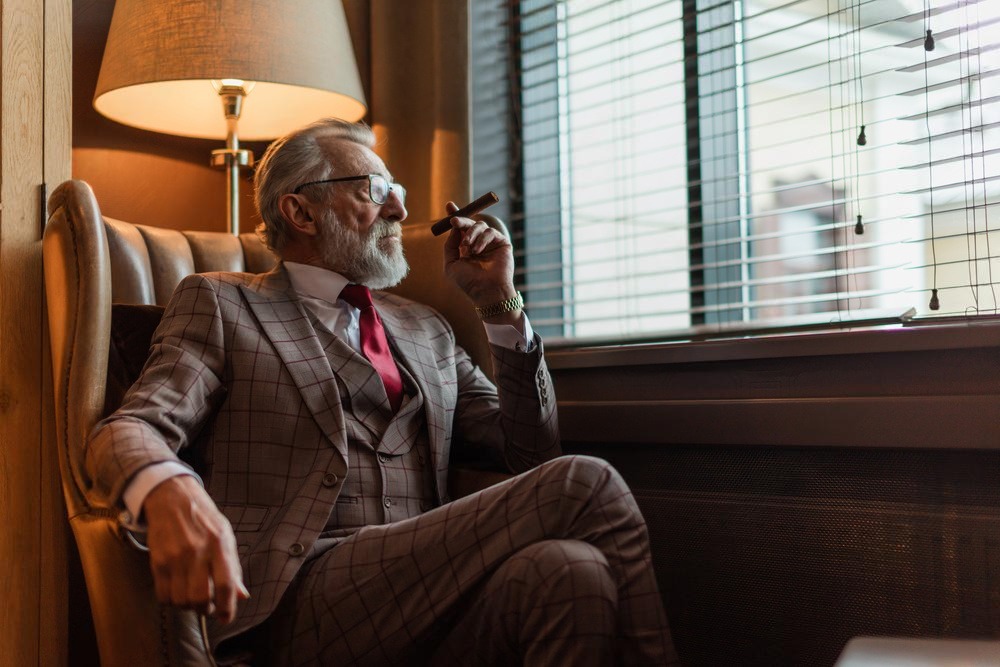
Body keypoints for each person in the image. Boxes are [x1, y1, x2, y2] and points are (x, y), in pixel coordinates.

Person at [87, 119, 678, 666]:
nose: (400, 207)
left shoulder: (426, 327)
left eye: (395, 189)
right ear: (301, 211)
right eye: (375, 190)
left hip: (422, 597)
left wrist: (500, 305)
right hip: (293, 599)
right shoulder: (223, 302)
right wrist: (170, 489)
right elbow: (130, 427)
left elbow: (530, 452)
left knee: (572, 571)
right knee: (584, 482)